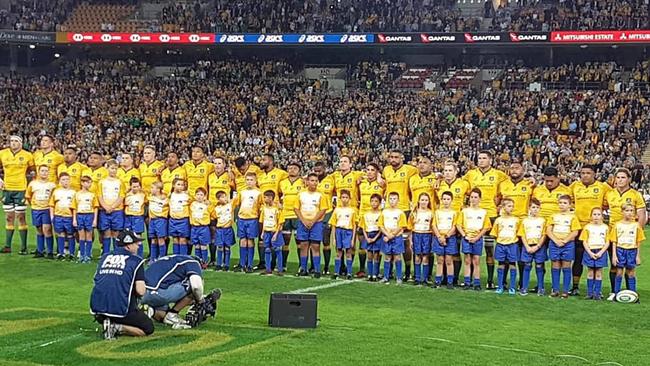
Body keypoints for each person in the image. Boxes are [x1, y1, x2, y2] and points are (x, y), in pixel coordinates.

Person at [90, 229, 153, 340]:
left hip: (97, 309)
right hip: (121, 310)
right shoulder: (136, 261)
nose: (138, 246)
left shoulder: (104, 257)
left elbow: (96, 280)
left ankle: (108, 321)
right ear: (128, 246)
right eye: (136, 243)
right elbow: (141, 291)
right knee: (148, 328)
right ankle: (117, 327)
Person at [462, 151, 508, 290]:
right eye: (479, 158)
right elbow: (464, 190)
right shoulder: (470, 174)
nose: (481, 160)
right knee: (469, 250)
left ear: (490, 160)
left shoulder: (499, 175)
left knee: (489, 249)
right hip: (473, 215)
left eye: (484, 158)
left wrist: (498, 203)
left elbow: (504, 192)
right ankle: (468, 279)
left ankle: (490, 280)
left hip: (491, 214)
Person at [142, 254, 218, 329]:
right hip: (158, 292)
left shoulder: (171, 260)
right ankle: (172, 314)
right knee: (194, 287)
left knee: (162, 316)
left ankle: (149, 311)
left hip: (142, 293)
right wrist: (200, 300)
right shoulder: (193, 262)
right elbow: (196, 286)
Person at [604, 168, 647, 296]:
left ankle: (630, 293)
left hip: (629, 236)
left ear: (629, 179)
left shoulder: (635, 194)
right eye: (618, 177)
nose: (620, 180)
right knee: (615, 265)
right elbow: (603, 207)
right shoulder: (610, 194)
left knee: (630, 267)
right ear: (615, 179)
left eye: (623, 177)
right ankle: (614, 292)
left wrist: (635, 232)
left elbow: (642, 215)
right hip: (614, 234)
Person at [569, 164, 610, 296]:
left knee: (598, 259)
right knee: (578, 258)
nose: (585, 175)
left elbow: (610, 201)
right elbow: (566, 199)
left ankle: (596, 289)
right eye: (582, 173)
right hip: (579, 227)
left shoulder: (603, 187)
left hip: (596, 229)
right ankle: (575, 287)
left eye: (588, 173)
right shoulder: (575, 186)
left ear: (594, 174)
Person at [383, 151, 418, 281]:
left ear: (402, 158)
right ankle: (389, 272)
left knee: (405, 243)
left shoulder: (410, 170)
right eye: (391, 157)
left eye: (396, 157)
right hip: (388, 209)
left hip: (404, 209)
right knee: (389, 240)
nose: (393, 159)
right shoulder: (386, 170)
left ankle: (408, 271)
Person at [0, 135, 35, 254]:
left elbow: (32, 170)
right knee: (9, 217)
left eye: (16, 141)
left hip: (21, 189)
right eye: (12, 141)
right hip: (7, 189)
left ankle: (23, 247)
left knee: (21, 217)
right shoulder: (3, 153)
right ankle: (7, 246)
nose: (13, 143)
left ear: (21, 143)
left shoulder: (27, 155)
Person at [437, 161, 469, 285]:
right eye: (445, 171)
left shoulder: (464, 184)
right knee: (442, 252)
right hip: (442, 222)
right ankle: (444, 277)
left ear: (456, 172)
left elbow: (472, 196)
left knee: (454, 252)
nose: (448, 173)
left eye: (450, 170)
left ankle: (454, 278)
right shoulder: (439, 185)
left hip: (457, 222)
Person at [255, 153, 288, 270]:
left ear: (271, 161)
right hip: (262, 210)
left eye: (264, 160)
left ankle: (277, 264)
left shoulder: (281, 174)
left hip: (274, 212)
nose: (261, 161)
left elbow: (285, 189)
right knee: (262, 237)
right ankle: (263, 262)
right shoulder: (259, 175)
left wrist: (281, 203)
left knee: (275, 237)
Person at [546, 195, 581, 299]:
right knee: (555, 266)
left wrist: (565, 241)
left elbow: (575, 231)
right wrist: (556, 240)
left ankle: (565, 291)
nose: (562, 205)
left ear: (570, 205)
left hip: (568, 244)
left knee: (566, 266)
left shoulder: (573, 217)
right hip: (554, 243)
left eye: (565, 203)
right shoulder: (553, 216)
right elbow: (548, 230)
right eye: (560, 202)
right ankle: (555, 290)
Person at [456, 188, 492, 290]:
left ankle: (476, 283)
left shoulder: (483, 212)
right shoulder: (464, 211)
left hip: (477, 239)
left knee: (476, 260)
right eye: (472, 197)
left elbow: (486, 227)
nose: (473, 199)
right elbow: (459, 225)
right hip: (467, 238)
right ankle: (467, 282)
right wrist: (464, 235)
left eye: (476, 197)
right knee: (467, 260)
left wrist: (477, 237)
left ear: (480, 199)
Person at [295, 173, 328, 278]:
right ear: (307, 182)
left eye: (316, 181)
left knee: (315, 246)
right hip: (303, 222)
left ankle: (317, 269)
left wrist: (313, 221)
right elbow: (296, 208)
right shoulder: (301, 194)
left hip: (316, 223)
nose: (314, 183)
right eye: (312, 180)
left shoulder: (321, 195)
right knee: (304, 245)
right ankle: (303, 268)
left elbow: (323, 210)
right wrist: (303, 220)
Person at [610, 204, 646, 296]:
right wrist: (614, 255)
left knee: (631, 272)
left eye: (631, 211)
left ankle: (633, 293)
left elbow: (638, 241)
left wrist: (637, 256)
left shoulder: (636, 225)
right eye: (627, 211)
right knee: (619, 272)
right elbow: (614, 241)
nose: (629, 213)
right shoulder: (617, 225)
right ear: (622, 212)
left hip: (632, 250)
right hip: (620, 250)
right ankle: (616, 293)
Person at [490, 198, 520, 295]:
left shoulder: (516, 220)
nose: (511, 208)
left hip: (512, 245)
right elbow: (494, 233)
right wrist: (500, 241)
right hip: (501, 245)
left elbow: (519, 233)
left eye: (512, 206)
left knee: (512, 264)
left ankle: (512, 287)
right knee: (501, 264)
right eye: (509, 206)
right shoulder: (499, 220)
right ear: (503, 207)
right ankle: (500, 286)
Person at [207, 156, 234, 264]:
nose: (217, 165)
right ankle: (213, 259)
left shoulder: (229, 176)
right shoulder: (210, 176)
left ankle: (225, 261)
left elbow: (234, 189)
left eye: (219, 163)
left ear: (224, 165)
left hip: (224, 210)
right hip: (213, 209)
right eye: (215, 163)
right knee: (213, 233)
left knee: (225, 233)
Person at [233, 172, 262, 273]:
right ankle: (242, 263)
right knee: (242, 240)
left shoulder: (259, 193)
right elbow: (237, 204)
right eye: (247, 180)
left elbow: (260, 206)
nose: (249, 182)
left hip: (253, 218)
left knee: (250, 241)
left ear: (255, 181)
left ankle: (249, 264)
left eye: (251, 180)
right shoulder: (242, 192)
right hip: (242, 218)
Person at [579, 207, 610, 300]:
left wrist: (601, 252)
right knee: (590, 271)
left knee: (599, 272)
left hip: (601, 251)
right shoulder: (587, 227)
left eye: (598, 214)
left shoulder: (605, 227)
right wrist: (590, 252)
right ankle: (589, 293)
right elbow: (584, 241)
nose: (596, 216)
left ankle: (597, 293)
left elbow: (607, 242)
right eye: (594, 214)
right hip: (590, 251)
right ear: (591, 216)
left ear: (602, 216)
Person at [518, 198, 547, 296]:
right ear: (529, 208)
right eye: (533, 207)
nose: (535, 209)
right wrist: (527, 247)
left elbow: (544, 235)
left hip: (539, 247)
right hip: (527, 246)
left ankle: (541, 288)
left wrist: (538, 246)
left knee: (539, 266)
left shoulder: (542, 221)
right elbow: (522, 234)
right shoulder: (525, 221)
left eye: (537, 207)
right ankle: (524, 287)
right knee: (527, 266)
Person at [25, 165, 56, 258]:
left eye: (46, 171)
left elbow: (54, 198)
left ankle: (50, 251)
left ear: (48, 173)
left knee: (47, 229)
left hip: (46, 209)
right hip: (36, 209)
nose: (44, 172)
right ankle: (40, 250)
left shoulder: (52, 185)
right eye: (42, 171)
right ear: (38, 172)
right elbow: (28, 196)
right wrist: (33, 205)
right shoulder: (32, 184)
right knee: (39, 229)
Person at [279, 162, 304, 271]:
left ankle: (301, 265)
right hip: (285, 214)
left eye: (294, 168)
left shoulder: (303, 182)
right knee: (285, 242)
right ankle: (283, 265)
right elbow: (277, 194)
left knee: (299, 242)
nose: (292, 170)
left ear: (299, 170)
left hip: (298, 215)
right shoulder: (282, 182)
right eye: (289, 168)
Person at [379, 192, 408, 285]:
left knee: (397, 257)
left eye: (394, 199)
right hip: (386, 237)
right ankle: (386, 276)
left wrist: (392, 235)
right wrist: (387, 234)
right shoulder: (384, 212)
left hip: (396, 238)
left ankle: (399, 277)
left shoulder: (400, 213)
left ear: (398, 200)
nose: (392, 201)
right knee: (387, 257)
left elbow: (401, 226)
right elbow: (381, 225)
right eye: (390, 199)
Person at [98, 160, 126, 255]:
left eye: (115, 169)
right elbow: (100, 196)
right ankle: (106, 253)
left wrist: (112, 207)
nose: (114, 171)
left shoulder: (120, 182)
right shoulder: (102, 182)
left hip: (117, 210)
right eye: (112, 168)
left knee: (116, 232)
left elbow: (121, 196)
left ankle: (116, 253)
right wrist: (106, 207)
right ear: (107, 168)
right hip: (104, 210)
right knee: (106, 232)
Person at [329, 189, 358, 280]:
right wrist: (333, 238)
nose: (344, 199)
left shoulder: (352, 211)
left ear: (349, 199)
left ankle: (349, 272)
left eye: (346, 197)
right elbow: (333, 224)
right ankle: (336, 272)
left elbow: (354, 226)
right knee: (338, 252)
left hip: (348, 232)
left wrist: (353, 239)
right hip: (339, 231)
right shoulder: (337, 210)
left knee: (348, 252)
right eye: (343, 197)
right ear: (340, 198)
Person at [432, 191, 458, 289]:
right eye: (444, 199)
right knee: (439, 260)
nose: (446, 201)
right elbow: (434, 225)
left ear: (451, 200)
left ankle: (450, 282)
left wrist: (446, 236)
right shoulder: (437, 212)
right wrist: (439, 236)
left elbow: (455, 226)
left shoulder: (454, 213)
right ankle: (438, 280)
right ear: (441, 200)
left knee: (448, 260)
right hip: (439, 237)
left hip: (450, 238)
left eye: (448, 199)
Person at [314, 161, 335, 274]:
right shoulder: (311, 180)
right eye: (315, 171)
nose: (317, 173)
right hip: (314, 214)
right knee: (314, 242)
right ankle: (314, 266)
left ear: (325, 169)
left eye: (319, 171)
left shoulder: (331, 179)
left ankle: (326, 267)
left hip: (327, 213)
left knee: (326, 241)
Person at [49, 173, 76, 260]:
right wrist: (52, 216)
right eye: (63, 180)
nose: (65, 182)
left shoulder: (73, 192)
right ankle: (61, 253)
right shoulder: (56, 192)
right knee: (60, 234)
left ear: (70, 180)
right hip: (59, 216)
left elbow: (75, 206)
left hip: (69, 216)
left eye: (67, 179)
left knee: (70, 235)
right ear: (59, 181)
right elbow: (51, 205)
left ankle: (71, 253)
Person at [409, 192, 434, 286]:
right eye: (422, 200)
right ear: (419, 201)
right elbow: (411, 227)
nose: (424, 202)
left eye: (426, 200)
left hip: (427, 235)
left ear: (428, 201)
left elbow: (432, 226)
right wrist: (411, 240)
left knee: (425, 257)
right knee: (417, 256)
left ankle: (425, 278)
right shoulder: (414, 213)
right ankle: (417, 277)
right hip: (417, 235)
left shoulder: (431, 213)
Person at [72, 176, 99, 263]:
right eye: (87, 182)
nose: (89, 184)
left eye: (90, 182)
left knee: (89, 236)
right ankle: (82, 255)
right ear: (82, 183)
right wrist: (74, 219)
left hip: (89, 215)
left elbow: (95, 208)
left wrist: (95, 220)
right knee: (81, 236)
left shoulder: (92, 195)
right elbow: (74, 208)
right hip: (80, 215)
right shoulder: (77, 194)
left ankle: (88, 255)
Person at [260, 190, 285, 275]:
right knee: (267, 249)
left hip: (274, 232)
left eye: (265, 197)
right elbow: (263, 220)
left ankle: (280, 269)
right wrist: (263, 232)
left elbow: (280, 223)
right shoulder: (264, 208)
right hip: (266, 231)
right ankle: (268, 269)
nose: (264, 199)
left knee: (277, 250)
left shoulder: (277, 209)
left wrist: (276, 234)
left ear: (271, 198)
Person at [359, 193, 383, 281]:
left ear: (379, 203)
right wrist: (367, 238)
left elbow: (381, 228)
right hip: (368, 235)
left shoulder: (381, 214)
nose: (374, 203)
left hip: (377, 235)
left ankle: (375, 274)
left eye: (376, 201)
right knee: (369, 255)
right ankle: (369, 274)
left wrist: (375, 238)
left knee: (376, 255)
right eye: (372, 201)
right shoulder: (366, 214)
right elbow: (363, 227)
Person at [189, 187, 212, 267]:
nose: (199, 196)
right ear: (195, 196)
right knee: (197, 245)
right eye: (197, 194)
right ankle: (197, 261)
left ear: (205, 196)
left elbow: (213, 214)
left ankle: (204, 262)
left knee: (203, 245)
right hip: (194, 227)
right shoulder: (192, 204)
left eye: (201, 195)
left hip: (203, 228)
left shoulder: (207, 205)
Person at [124, 177, 147, 257]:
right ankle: (129, 255)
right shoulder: (126, 195)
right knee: (128, 237)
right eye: (134, 186)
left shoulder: (143, 195)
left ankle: (139, 256)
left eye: (137, 186)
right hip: (128, 217)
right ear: (130, 186)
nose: (136, 188)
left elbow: (147, 203)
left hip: (138, 217)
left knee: (138, 237)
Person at [169, 178, 191, 255]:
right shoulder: (170, 195)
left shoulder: (186, 196)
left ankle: (183, 257)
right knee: (175, 239)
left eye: (182, 185)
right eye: (178, 184)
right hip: (173, 220)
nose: (180, 186)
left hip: (183, 220)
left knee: (182, 239)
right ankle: (176, 257)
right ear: (173, 185)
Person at [148, 181, 169, 261]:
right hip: (152, 220)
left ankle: (162, 258)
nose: (151, 189)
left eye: (152, 188)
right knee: (153, 239)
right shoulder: (150, 197)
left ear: (158, 189)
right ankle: (153, 258)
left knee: (161, 239)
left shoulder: (165, 199)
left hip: (160, 220)